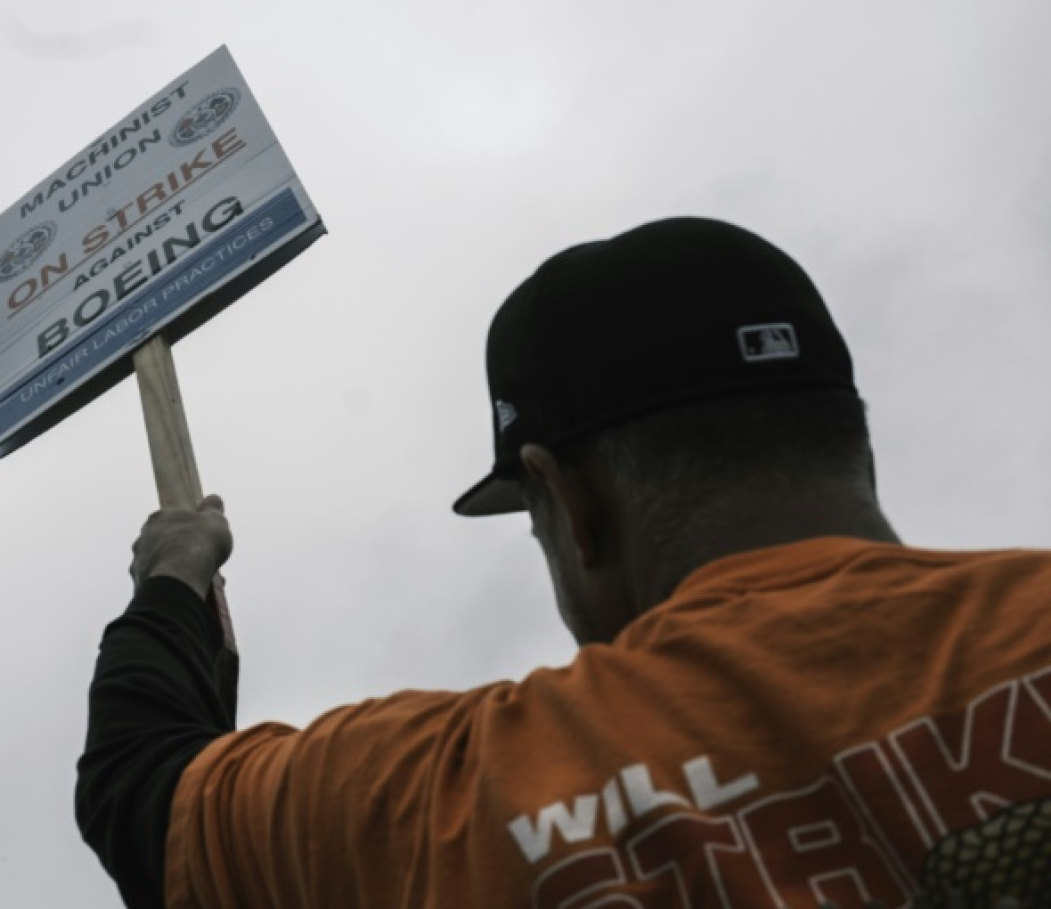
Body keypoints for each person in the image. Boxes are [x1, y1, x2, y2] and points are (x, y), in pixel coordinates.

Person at [76, 217, 1051, 908]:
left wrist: (174, 575)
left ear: (570, 503)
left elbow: (144, 797)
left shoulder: (451, 793)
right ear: (851, 440)